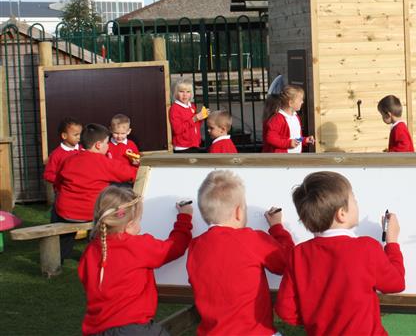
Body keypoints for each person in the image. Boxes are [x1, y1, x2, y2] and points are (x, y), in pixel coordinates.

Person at [276, 171, 404, 335]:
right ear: (341, 213)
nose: (357, 203)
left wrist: (314, 319)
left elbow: (286, 310)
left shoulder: (298, 254)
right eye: (354, 199)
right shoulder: (367, 248)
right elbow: (396, 283)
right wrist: (392, 242)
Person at [187, 170, 294, 336]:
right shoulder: (252, 239)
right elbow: (287, 261)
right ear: (238, 212)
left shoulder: (195, 246)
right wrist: (277, 228)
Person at [78, 186, 193, 336]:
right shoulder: (137, 246)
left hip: (97, 329)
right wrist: (185, 217)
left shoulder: (91, 250)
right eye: (140, 219)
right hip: (134, 329)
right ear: (130, 224)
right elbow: (175, 247)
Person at [54, 123, 140, 261]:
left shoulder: (69, 160)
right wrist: (138, 165)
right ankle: (99, 251)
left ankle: (60, 255)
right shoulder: (103, 162)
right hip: (91, 213)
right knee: (111, 201)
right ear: (99, 145)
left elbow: (58, 183)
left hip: (65, 212)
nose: (108, 146)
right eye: (107, 143)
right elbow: (132, 174)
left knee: (58, 206)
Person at [261, 85, 315, 153]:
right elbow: (271, 138)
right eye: (300, 100)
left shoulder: (295, 117)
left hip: (295, 158)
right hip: (282, 160)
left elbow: (295, 138)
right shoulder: (278, 119)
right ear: (290, 103)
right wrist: (288, 143)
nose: (302, 102)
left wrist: (304, 140)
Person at [43, 117, 82, 192]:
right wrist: (62, 180)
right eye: (76, 135)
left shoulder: (83, 150)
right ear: (64, 136)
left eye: (80, 134)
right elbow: (48, 175)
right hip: (63, 192)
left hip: (81, 191)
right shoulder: (56, 154)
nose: (79, 137)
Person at [169, 78, 207, 153]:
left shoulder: (192, 106)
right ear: (176, 93)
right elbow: (177, 130)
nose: (185, 94)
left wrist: (201, 117)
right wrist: (194, 119)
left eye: (188, 92)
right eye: (181, 91)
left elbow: (195, 126)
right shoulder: (175, 108)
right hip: (183, 147)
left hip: (194, 144)